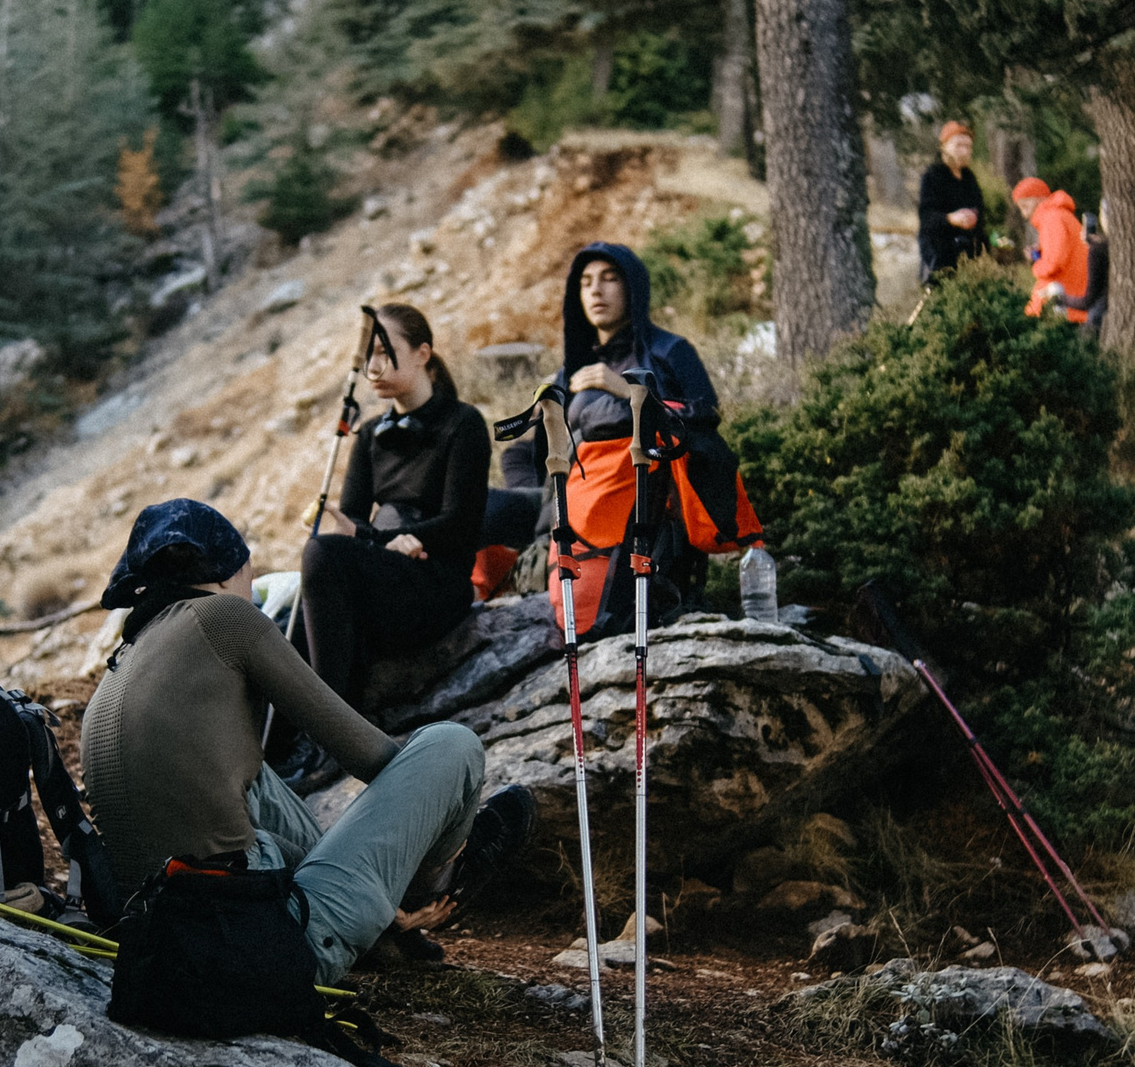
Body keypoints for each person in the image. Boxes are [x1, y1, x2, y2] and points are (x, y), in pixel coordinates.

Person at [82, 499, 534, 980]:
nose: (251, 590)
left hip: (162, 945)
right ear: (224, 577)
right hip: (266, 949)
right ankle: (431, 889)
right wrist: (434, 827)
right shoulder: (225, 617)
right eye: (248, 575)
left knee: (253, 778)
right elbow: (374, 758)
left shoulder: (113, 678)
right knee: (451, 746)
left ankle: (384, 921)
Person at [281, 303, 487, 782]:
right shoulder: (372, 433)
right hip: (387, 575)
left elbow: (461, 525)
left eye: (384, 352)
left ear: (422, 354)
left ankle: (334, 739)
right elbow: (352, 522)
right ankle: (280, 749)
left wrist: (379, 539)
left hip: (436, 585)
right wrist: (371, 537)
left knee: (322, 558)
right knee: (297, 602)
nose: (371, 367)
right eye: (367, 355)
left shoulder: (463, 423)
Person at [526, 243, 724, 636]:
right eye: (585, 283)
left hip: (640, 510)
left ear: (633, 287)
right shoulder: (574, 369)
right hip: (569, 504)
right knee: (490, 511)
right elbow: (529, 451)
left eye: (609, 279)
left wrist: (627, 390)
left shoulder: (669, 351)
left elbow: (703, 419)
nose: (596, 291)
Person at [917, 120, 988, 284]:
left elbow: (980, 210)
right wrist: (950, 218)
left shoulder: (969, 178)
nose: (965, 151)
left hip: (968, 255)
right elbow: (926, 217)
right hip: (939, 255)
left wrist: (974, 217)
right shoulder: (933, 176)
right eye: (959, 145)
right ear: (944, 147)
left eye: (968, 146)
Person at [1012, 177, 1090, 323]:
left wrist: (1037, 267)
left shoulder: (1051, 218)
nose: (1024, 214)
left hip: (1070, 298)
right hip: (1076, 293)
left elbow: (1054, 263)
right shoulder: (1058, 214)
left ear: (1039, 198)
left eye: (1025, 206)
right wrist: (1041, 255)